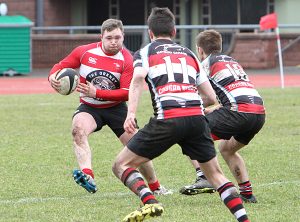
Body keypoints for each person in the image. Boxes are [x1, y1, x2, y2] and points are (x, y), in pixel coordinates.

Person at [112, 8, 250, 222]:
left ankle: (150, 202)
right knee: (215, 176)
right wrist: (190, 103)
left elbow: (138, 78)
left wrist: (130, 113)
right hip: (197, 119)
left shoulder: (146, 51)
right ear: (174, 31)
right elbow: (211, 97)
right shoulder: (190, 53)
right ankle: (244, 219)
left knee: (121, 165)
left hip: (168, 117)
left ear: (150, 33)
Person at [48, 18, 171, 195]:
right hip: (89, 107)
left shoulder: (127, 59)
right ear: (101, 37)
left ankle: (156, 187)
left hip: (116, 109)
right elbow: (61, 66)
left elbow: (126, 92)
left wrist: (96, 92)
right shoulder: (84, 52)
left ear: (123, 37)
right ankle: (88, 175)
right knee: (77, 130)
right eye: (109, 38)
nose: (114, 42)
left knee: (138, 147)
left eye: (117, 38)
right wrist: (52, 76)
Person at [179, 29, 266, 204]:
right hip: (258, 113)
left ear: (200, 50)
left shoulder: (205, 64)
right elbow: (231, 91)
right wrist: (215, 108)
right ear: (219, 46)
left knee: (189, 133)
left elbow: (198, 95)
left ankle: (204, 177)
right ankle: (247, 194)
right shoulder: (231, 61)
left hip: (239, 111)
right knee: (227, 149)